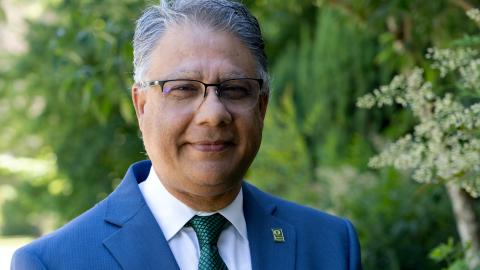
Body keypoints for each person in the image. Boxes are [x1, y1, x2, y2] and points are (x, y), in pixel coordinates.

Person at [11, 0, 362, 269]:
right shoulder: (54, 262)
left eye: (236, 89)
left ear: (262, 106)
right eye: (183, 89)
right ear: (142, 105)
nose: (213, 115)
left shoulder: (331, 245)